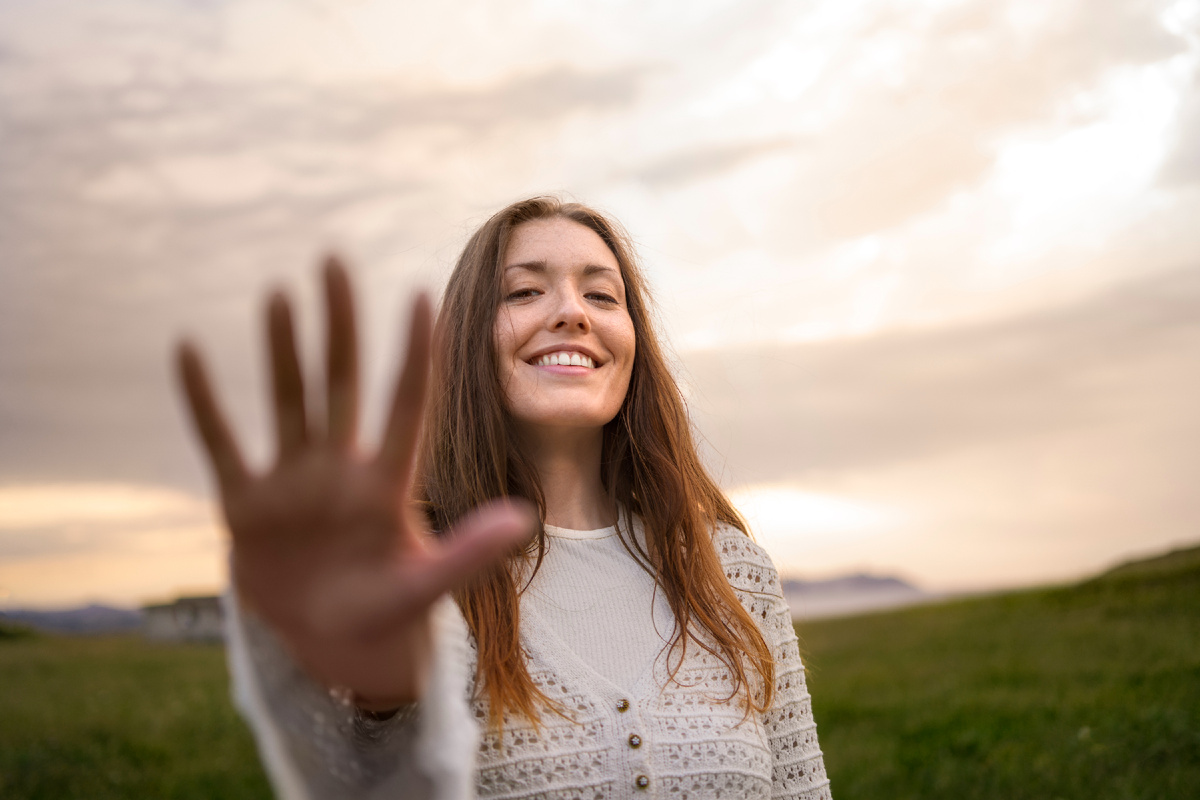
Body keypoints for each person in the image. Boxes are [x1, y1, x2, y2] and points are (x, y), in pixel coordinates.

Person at [177, 196, 832, 800]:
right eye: (523, 291)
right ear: (470, 341)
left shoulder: (733, 571)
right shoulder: (424, 578)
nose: (572, 311)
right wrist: (380, 703)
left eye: (602, 295)